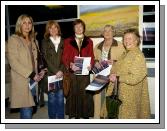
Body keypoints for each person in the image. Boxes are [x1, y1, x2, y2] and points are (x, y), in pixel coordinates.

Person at [7, 14, 45, 119]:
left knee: (30, 107)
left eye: (29, 23)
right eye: (24, 22)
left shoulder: (34, 41)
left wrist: (40, 71)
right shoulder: (13, 39)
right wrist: (32, 74)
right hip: (22, 79)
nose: (27, 25)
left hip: (34, 79)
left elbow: (36, 60)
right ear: (19, 24)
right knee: (27, 109)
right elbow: (13, 62)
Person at [108, 28, 151, 119]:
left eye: (130, 38)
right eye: (125, 39)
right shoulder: (126, 53)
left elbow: (135, 77)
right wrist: (114, 63)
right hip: (122, 93)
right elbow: (124, 67)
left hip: (131, 95)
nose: (126, 41)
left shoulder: (138, 55)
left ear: (136, 41)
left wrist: (118, 78)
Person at [62, 19, 95, 119]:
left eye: (80, 26)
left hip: (85, 72)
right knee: (73, 93)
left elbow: (92, 56)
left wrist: (91, 65)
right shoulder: (68, 41)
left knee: (85, 94)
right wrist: (70, 64)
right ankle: (74, 115)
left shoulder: (89, 41)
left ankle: (84, 115)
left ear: (83, 28)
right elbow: (64, 57)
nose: (78, 28)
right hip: (73, 72)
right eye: (76, 27)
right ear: (73, 29)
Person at [93, 25, 125, 119]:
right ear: (102, 33)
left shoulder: (120, 45)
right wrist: (95, 62)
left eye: (109, 31)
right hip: (100, 74)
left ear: (113, 32)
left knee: (111, 98)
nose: (107, 32)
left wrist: (115, 61)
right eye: (105, 31)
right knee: (97, 97)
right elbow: (94, 58)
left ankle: (108, 118)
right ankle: (97, 117)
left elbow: (125, 60)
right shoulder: (97, 46)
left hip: (113, 75)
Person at [41, 20, 65, 119]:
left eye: (55, 27)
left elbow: (66, 57)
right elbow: (46, 58)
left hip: (61, 74)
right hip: (50, 75)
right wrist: (56, 71)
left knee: (60, 97)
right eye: (51, 28)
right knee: (51, 98)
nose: (53, 29)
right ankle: (52, 119)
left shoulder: (64, 41)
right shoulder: (44, 42)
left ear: (58, 28)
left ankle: (60, 119)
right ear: (48, 30)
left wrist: (61, 70)